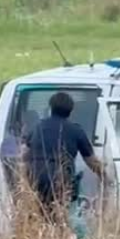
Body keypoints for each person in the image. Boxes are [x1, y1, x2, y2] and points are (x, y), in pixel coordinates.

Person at [22, 92, 104, 227]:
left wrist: (24, 174)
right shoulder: (76, 130)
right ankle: (60, 235)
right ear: (71, 111)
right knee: (60, 216)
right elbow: (91, 161)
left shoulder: (38, 127)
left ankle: (41, 234)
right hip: (60, 178)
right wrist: (105, 176)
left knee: (39, 214)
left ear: (51, 108)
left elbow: (24, 153)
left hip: (35, 177)